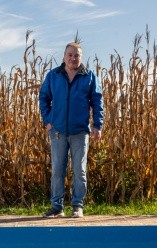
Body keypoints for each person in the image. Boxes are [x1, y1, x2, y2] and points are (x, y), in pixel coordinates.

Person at [39, 41, 104, 218]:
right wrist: (48, 120)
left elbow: (97, 101)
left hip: (80, 131)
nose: (73, 58)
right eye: (70, 55)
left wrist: (98, 125)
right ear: (64, 56)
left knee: (79, 170)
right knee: (58, 169)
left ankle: (77, 206)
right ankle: (57, 207)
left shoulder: (89, 76)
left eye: (77, 56)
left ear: (81, 58)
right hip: (58, 131)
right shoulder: (53, 76)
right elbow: (43, 98)